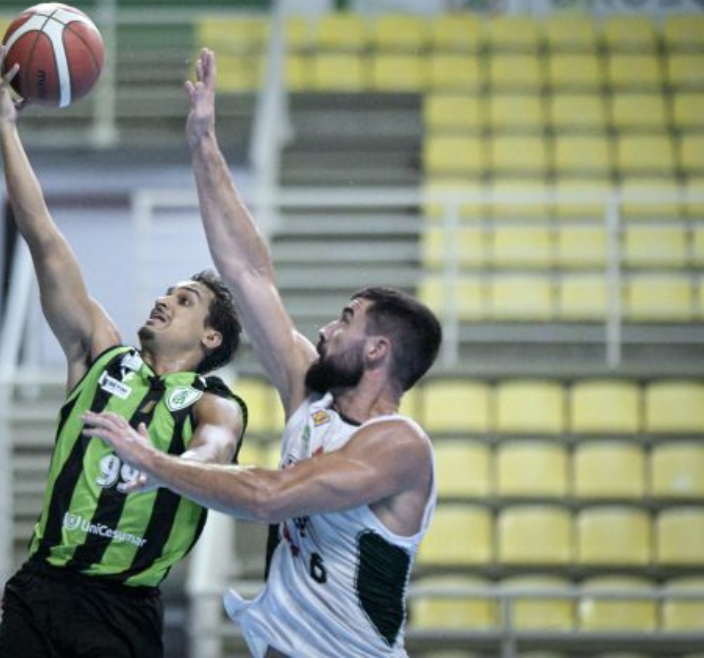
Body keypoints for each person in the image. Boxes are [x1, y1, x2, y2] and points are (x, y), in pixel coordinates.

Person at [82, 48, 443, 658]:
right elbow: (249, 274)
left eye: (346, 320)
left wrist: (154, 460)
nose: (327, 329)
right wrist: (204, 145)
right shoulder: (313, 396)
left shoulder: (400, 445)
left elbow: (268, 496)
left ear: (379, 350)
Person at [0, 46, 249, 658]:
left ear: (211, 338)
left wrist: (156, 459)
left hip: (119, 612)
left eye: (184, 300)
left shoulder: (216, 403)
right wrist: (5, 125)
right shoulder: (101, 356)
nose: (164, 300)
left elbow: (214, 454)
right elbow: (44, 238)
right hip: (39, 589)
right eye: (167, 291)